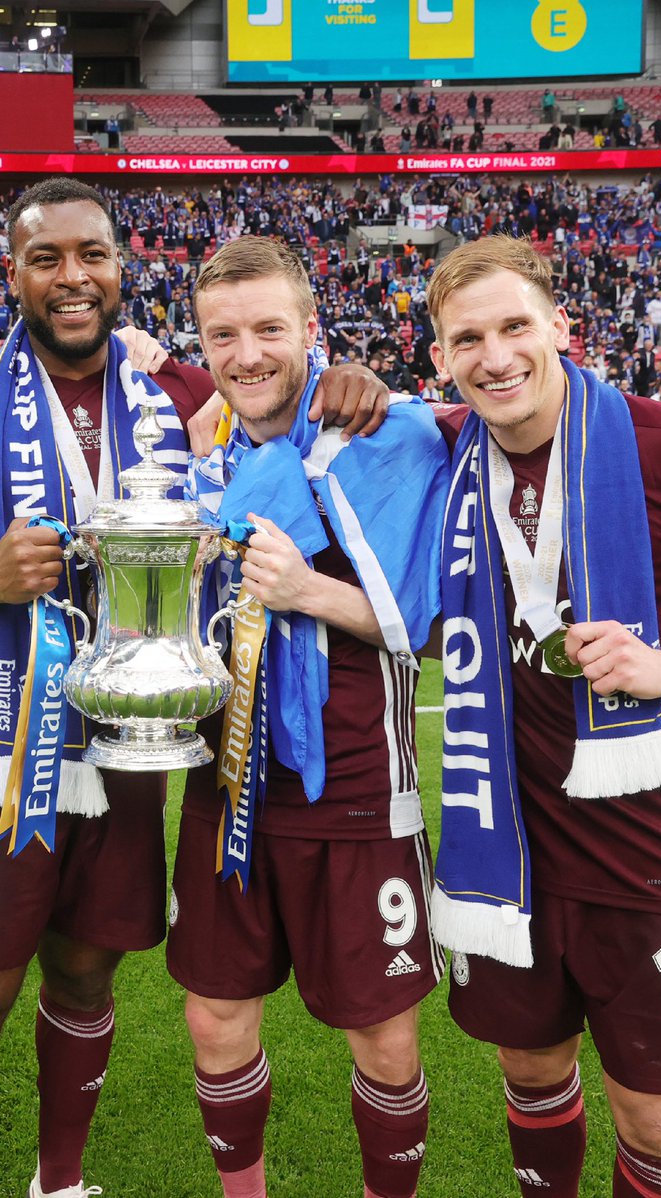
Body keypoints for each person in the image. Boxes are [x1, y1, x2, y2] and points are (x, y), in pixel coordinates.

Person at [0, 177, 387, 1198]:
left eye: (92, 257)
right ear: (12, 275)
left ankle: (56, 1181)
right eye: (46, 259)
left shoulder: (190, 401)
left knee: (84, 971)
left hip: (133, 744)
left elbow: (287, 403)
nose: (73, 279)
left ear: (122, 269)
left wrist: (353, 378)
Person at [168, 236, 449, 1198]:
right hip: (227, 777)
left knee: (381, 1031)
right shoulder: (201, 450)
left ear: (312, 330)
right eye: (224, 336)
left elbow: (428, 626)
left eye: (269, 330)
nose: (247, 355)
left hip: (358, 782)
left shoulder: (391, 435)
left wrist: (309, 594)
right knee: (215, 1016)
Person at [426, 236, 661, 1198]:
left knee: (654, 1114)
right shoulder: (442, 451)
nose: (495, 356)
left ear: (562, 329)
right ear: (442, 358)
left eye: (515, 326)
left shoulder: (653, 441)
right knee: (530, 1071)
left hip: (644, 845)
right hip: (508, 838)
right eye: (467, 338)